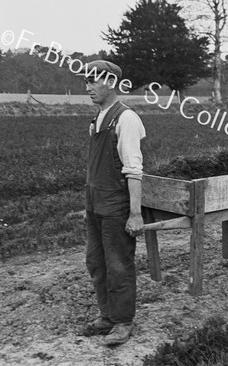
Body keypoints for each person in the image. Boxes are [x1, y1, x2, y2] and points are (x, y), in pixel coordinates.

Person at [79, 60, 146, 346]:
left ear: (111, 82)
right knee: (96, 262)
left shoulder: (126, 118)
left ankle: (122, 321)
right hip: (95, 204)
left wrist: (135, 213)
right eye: (87, 81)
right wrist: (88, 206)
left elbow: (133, 168)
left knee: (118, 264)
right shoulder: (98, 118)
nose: (88, 87)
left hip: (116, 205)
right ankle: (107, 316)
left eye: (94, 81)